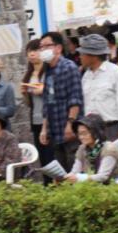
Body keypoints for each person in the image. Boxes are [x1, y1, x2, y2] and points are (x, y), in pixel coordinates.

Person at [76, 33, 118, 150]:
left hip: (113, 129)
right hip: (92, 131)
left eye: (82, 53)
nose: (80, 56)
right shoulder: (86, 76)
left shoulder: (115, 72)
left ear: (93, 55)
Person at [38, 31, 84, 173]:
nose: (43, 50)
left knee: (75, 170)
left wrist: (70, 124)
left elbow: (75, 99)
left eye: (47, 46)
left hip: (70, 130)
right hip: (55, 130)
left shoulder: (69, 67)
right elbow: (47, 102)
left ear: (58, 48)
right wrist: (44, 128)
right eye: (41, 47)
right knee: (61, 173)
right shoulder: (48, 71)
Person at [65, 113, 118, 184]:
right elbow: (74, 172)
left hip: (116, 185)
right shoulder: (82, 148)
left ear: (96, 133)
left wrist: (80, 177)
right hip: (97, 185)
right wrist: (64, 178)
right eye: (79, 134)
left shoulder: (109, 149)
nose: (81, 137)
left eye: (84, 133)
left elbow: (103, 176)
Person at [21, 39, 52, 165]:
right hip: (35, 120)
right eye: (29, 51)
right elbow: (29, 104)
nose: (32, 54)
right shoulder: (28, 75)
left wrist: (43, 90)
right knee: (43, 158)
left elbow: (54, 93)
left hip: (49, 119)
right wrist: (24, 94)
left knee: (51, 155)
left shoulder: (49, 71)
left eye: (35, 50)